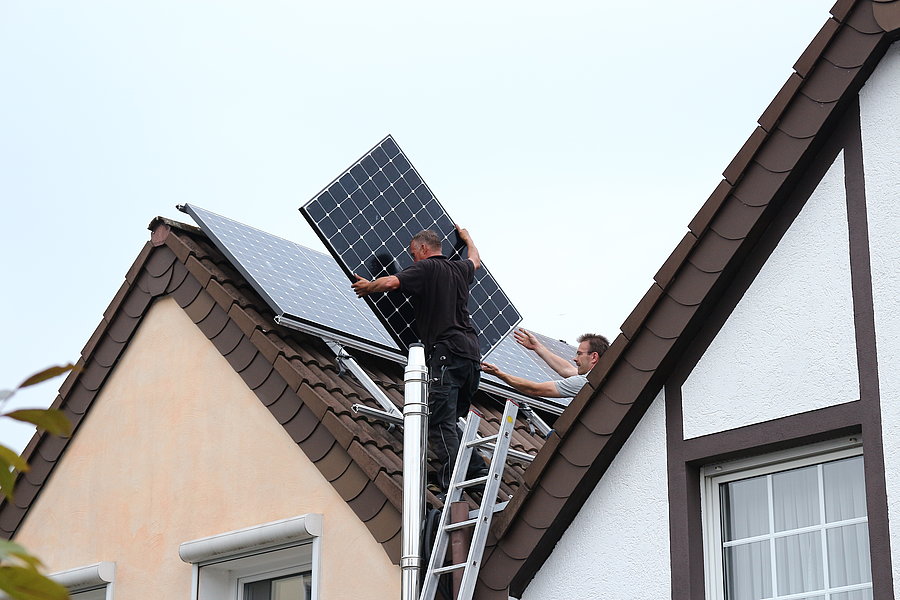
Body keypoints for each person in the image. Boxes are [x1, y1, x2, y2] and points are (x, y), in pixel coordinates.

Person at [351, 225, 485, 493]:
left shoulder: (426, 268)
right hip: (471, 357)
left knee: (437, 420)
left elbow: (391, 282)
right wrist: (468, 238)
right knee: (449, 418)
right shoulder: (458, 269)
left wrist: (368, 286)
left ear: (424, 249)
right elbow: (476, 261)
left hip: (446, 353)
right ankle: (476, 467)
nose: (412, 259)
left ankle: (452, 480)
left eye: (413, 253)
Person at [481, 329, 609, 402]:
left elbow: (534, 389)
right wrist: (537, 347)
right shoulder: (599, 376)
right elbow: (566, 369)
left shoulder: (584, 381)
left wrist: (499, 374)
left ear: (594, 357)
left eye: (580, 354)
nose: (574, 359)